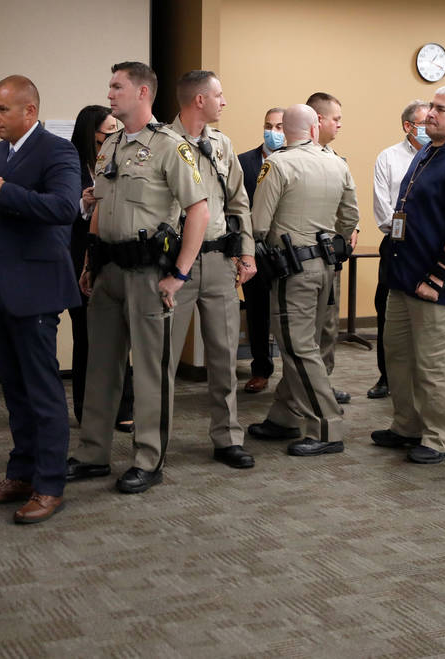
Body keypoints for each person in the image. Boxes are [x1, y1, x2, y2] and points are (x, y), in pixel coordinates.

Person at [66, 61, 209, 494]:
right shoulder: (109, 145)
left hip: (149, 274)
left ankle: (148, 459)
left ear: (143, 92)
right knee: (101, 368)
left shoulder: (170, 146)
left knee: (150, 372)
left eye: (117, 87)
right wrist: (89, 263)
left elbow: (198, 211)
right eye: (109, 86)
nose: (109, 94)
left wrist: (180, 275)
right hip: (107, 270)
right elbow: (99, 208)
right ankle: (93, 453)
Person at [0, 76, 82, 524]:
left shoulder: (58, 150)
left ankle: (50, 485)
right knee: (13, 390)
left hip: (36, 287)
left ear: (30, 111)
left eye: (2, 110)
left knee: (43, 390)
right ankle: (21, 474)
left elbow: (64, 209)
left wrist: (2, 193)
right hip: (1, 284)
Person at [370, 85, 445, 464]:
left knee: (437, 366)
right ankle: (407, 425)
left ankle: (441, 439)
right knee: (400, 357)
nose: (430, 115)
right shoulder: (426, 152)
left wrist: (437, 278)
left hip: (441, 287)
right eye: (430, 109)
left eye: (440, 109)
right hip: (404, 278)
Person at [245, 104, 359, 456]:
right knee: (306, 343)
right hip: (326, 267)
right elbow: (350, 216)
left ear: (286, 131)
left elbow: (259, 223)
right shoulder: (337, 163)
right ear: (314, 129)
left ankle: (326, 428)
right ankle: (285, 416)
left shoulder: (277, 164)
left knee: (297, 347)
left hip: (293, 271)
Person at [168, 70, 257, 469]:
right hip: (174, 265)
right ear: (199, 100)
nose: (225, 102)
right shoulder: (161, 143)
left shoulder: (222, 145)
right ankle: (154, 444)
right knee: (162, 359)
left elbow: (239, 203)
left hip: (220, 262)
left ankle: (228, 437)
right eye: (219, 95)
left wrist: (247, 253)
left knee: (223, 355)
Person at [68, 105, 134, 431]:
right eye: (107, 131)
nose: (113, 136)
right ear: (90, 133)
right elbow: (60, 212)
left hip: (115, 257)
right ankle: (84, 407)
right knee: (85, 337)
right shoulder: (72, 165)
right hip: (80, 259)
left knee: (120, 337)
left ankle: (124, 405)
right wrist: (84, 204)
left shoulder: (120, 161)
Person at [366, 99, 430, 400]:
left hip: (432, 247)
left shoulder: (443, 156)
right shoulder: (388, 158)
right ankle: (386, 376)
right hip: (396, 244)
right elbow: (383, 209)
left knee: (426, 313)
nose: (429, 126)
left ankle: (421, 377)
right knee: (388, 310)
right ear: (408, 126)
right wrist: (408, 234)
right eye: (423, 122)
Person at [305, 91, 354, 406]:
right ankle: (306, 388)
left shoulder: (338, 162)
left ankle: (323, 384)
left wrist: (354, 230)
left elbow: (347, 211)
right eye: (335, 119)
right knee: (304, 329)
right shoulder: (292, 159)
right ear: (318, 120)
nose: (339, 125)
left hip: (331, 258)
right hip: (303, 259)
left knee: (328, 326)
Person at [238, 107, 284, 394]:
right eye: (269, 126)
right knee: (257, 312)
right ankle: (260, 369)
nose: (273, 132)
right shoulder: (244, 163)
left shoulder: (296, 160)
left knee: (287, 313)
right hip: (254, 249)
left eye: (279, 127)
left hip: (286, 250)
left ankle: (294, 375)